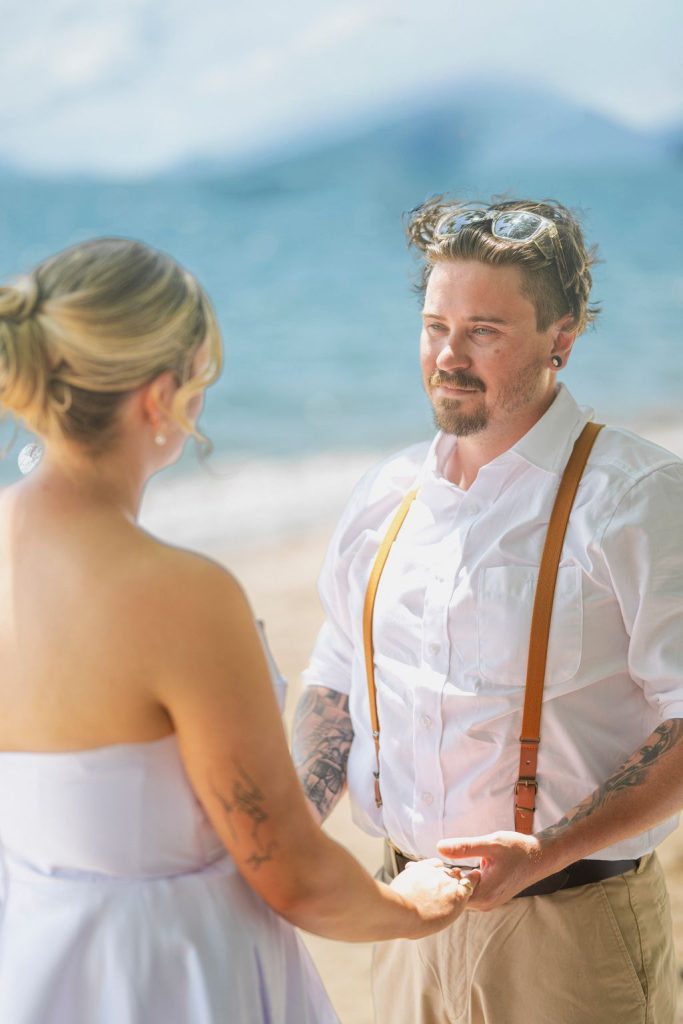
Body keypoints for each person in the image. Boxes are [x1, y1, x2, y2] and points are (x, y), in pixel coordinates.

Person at [0, 237, 478, 1024]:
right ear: (160, 397)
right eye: (200, 383)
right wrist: (415, 905)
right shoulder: (176, 594)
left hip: (36, 963)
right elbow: (289, 873)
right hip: (171, 976)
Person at [293, 197, 683, 1024]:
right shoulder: (386, 495)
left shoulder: (636, 498)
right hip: (403, 922)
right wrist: (288, 829)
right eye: (435, 325)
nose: (448, 356)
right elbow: (334, 682)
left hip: (568, 936)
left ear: (561, 339)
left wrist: (549, 852)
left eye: (485, 331)